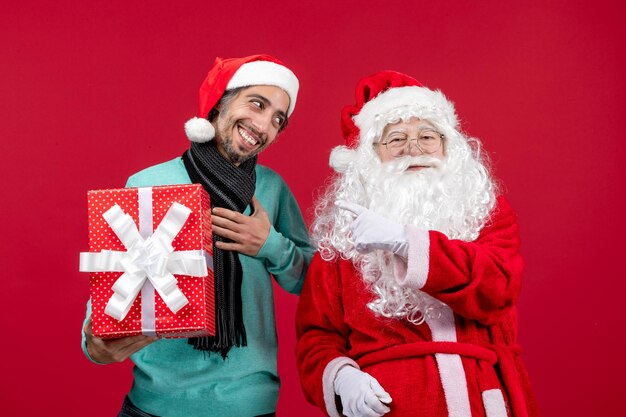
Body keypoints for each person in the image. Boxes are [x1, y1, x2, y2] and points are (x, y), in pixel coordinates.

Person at [82, 54, 314, 417]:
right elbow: (115, 276)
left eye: (278, 119)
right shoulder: (147, 183)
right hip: (154, 404)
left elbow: (316, 282)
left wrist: (270, 245)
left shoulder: (271, 189)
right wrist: (95, 339)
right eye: (257, 103)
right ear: (221, 102)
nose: (264, 124)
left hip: (248, 403)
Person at [295, 71, 538, 417]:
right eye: (395, 139)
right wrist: (342, 379)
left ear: (448, 146)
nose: (413, 148)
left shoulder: (486, 211)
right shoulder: (342, 236)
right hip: (393, 404)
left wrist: (406, 242)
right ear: (370, 157)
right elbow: (317, 336)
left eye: (427, 136)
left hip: (483, 399)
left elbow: (497, 286)